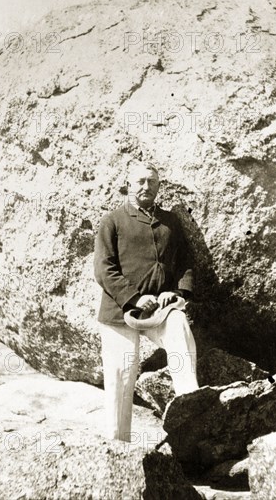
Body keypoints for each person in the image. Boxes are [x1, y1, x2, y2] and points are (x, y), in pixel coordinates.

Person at [94, 161, 199, 442]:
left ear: (158, 186)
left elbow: (186, 263)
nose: (146, 187)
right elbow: (104, 270)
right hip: (121, 312)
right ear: (129, 185)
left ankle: (192, 415)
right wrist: (135, 298)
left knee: (179, 328)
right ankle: (118, 448)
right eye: (140, 181)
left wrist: (176, 293)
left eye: (152, 182)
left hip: (160, 310)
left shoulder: (170, 222)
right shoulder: (113, 221)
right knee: (120, 378)